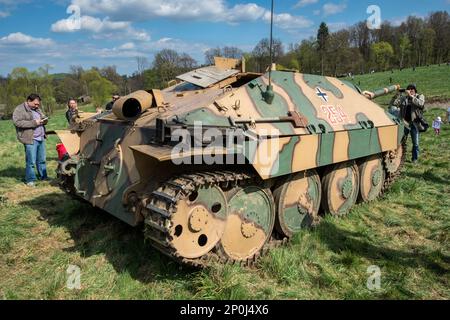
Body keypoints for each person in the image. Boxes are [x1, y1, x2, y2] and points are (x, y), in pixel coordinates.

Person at [12, 94, 48, 186]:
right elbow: (17, 122)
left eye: (38, 104)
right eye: (35, 104)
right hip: (30, 138)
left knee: (42, 160)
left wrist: (44, 120)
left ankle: (43, 177)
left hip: (41, 137)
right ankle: (30, 180)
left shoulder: (37, 109)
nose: (37, 106)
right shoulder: (19, 109)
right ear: (28, 101)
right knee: (31, 161)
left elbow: (43, 117)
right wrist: (34, 122)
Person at [391, 84, 425, 164]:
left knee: (415, 143)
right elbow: (394, 103)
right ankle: (399, 157)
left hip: (415, 123)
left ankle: (414, 159)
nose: (410, 90)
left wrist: (411, 96)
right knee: (400, 141)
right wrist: (397, 94)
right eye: (409, 89)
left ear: (415, 90)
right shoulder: (404, 98)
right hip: (405, 123)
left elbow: (421, 104)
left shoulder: (420, 96)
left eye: (412, 89)